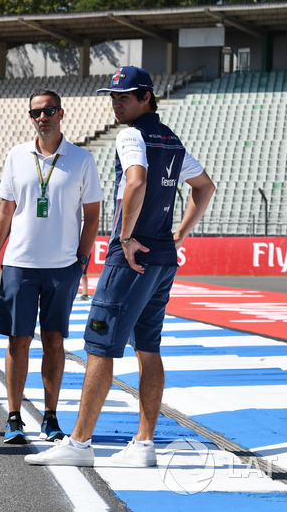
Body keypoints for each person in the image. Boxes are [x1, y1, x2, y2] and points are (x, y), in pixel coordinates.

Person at [24, 66, 216, 468]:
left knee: (99, 347)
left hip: (131, 257)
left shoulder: (131, 134)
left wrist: (126, 238)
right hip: (163, 255)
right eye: (113, 96)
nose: (116, 102)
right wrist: (179, 235)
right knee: (149, 348)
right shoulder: (171, 138)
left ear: (147, 97)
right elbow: (205, 187)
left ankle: (79, 443)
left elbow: (136, 181)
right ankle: (144, 444)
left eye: (125, 96)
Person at [0, 89, 104, 445]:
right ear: (31, 117)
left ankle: (50, 417)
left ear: (61, 113)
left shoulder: (81, 159)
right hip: (19, 263)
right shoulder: (17, 156)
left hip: (62, 267)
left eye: (49, 110)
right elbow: (5, 211)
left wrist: (81, 260)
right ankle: (14, 416)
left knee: (54, 342)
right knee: (17, 341)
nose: (43, 117)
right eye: (36, 112)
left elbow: (92, 216)